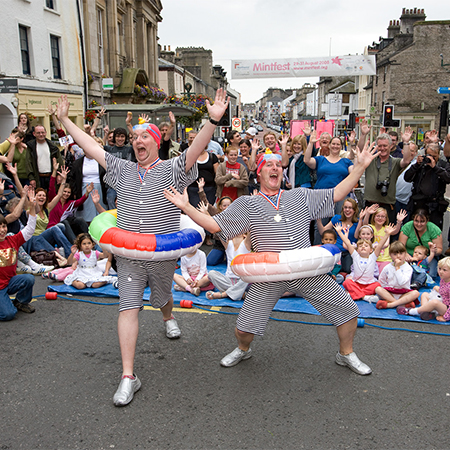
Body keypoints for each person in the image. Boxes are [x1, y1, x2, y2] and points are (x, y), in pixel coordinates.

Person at [56, 88, 229, 406]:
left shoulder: (172, 169)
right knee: (128, 306)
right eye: (133, 136)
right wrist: (66, 119)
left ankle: (167, 316)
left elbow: (194, 150)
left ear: (154, 141)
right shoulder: (121, 169)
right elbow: (91, 146)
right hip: (129, 256)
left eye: (142, 135)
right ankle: (128, 376)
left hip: (161, 255)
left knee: (163, 296)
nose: (136, 140)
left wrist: (212, 120)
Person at [164, 139, 379, 376]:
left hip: (305, 270)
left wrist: (360, 167)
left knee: (348, 311)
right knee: (243, 329)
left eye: (278, 164)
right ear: (259, 172)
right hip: (268, 275)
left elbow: (337, 193)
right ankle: (243, 349)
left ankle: (345, 353)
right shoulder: (247, 204)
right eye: (269, 164)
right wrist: (186, 207)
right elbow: (215, 225)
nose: (275, 167)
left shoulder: (300, 196)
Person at [361, 127, 413, 224]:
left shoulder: (394, 162)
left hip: (388, 206)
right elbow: (360, 151)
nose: (382, 148)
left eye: (385, 146)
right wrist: (363, 134)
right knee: (366, 236)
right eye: (379, 146)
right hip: (370, 205)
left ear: (390, 146)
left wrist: (406, 142)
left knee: (387, 235)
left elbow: (406, 161)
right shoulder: (370, 160)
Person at [0, 189, 37, 321]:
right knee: (8, 314)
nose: (2, 230)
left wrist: (32, 207)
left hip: (9, 282)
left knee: (28, 279)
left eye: (4, 226)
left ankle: (21, 301)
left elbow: (30, 229)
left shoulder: (12, 240)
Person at [337, 222, 396, 303]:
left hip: (369, 285)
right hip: (357, 284)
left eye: (366, 246)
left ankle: (354, 294)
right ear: (357, 250)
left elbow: (380, 245)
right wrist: (340, 232)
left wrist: (387, 234)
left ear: (371, 250)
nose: (363, 247)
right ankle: (365, 297)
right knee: (347, 282)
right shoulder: (355, 256)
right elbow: (347, 243)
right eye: (360, 246)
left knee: (378, 286)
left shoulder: (373, 256)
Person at [403, 143, 450, 231]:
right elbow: (407, 178)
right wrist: (416, 165)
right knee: (415, 231)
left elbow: (448, 178)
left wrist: (435, 167)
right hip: (419, 204)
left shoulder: (442, 165)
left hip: (435, 206)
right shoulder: (420, 164)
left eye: (434, 156)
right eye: (429, 155)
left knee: (434, 232)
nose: (430, 158)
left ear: (439, 155)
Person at [397, 257, 450, 321]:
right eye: (439, 269)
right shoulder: (444, 279)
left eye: (444, 270)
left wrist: (445, 317)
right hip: (443, 301)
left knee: (434, 302)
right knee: (424, 294)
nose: (441, 272)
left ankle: (412, 311)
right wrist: (439, 289)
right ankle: (426, 312)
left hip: (447, 309)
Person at [317, 198, 361, 273]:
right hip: (336, 250)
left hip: (349, 252)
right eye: (345, 207)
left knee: (348, 269)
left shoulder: (358, 222)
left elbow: (359, 236)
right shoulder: (337, 218)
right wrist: (318, 220)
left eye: (350, 208)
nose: (347, 210)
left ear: (354, 210)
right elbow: (323, 232)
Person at [205, 232, 251, 301]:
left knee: (249, 276)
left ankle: (223, 294)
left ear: (244, 235)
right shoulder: (228, 244)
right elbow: (218, 231)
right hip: (229, 280)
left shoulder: (246, 244)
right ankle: (240, 293)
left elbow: (252, 230)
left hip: (243, 281)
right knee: (211, 273)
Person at [375, 241, 420, 310]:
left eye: (401, 253)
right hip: (390, 292)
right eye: (395, 254)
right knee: (378, 289)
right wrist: (385, 289)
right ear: (390, 255)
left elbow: (402, 282)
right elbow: (381, 280)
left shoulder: (408, 268)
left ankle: (390, 304)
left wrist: (397, 268)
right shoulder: (387, 267)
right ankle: (401, 304)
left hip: (403, 292)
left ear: (405, 254)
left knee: (415, 293)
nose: (398, 256)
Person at [398, 208, 442, 278]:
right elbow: (400, 246)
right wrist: (405, 254)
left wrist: (433, 250)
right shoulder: (407, 227)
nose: (419, 224)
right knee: (402, 272)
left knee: (430, 275)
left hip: (427, 257)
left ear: (427, 221)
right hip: (409, 254)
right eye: (416, 221)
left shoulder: (434, 229)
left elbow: (440, 250)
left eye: (422, 221)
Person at [362, 204, 407, 272]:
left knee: (383, 274)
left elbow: (395, 231)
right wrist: (368, 213)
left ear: (386, 219)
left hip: (385, 259)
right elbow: (365, 225)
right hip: (372, 257)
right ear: (374, 217)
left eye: (383, 216)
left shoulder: (386, 228)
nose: (380, 218)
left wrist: (399, 221)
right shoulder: (371, 227)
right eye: (378, 216)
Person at [26, 125, 63, 191]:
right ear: (34, 134)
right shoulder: (31, 147)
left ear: (46, 133)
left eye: (42, 132)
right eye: (38, 133)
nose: (41, 134)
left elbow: (59, 161)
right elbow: (28, 163)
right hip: (38, 177)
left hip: (51, 176)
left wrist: (59, 174)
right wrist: (31, 178)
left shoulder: (52, 146)